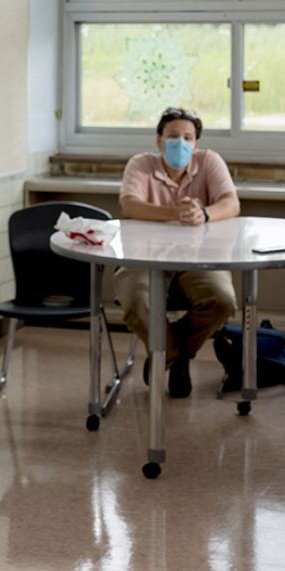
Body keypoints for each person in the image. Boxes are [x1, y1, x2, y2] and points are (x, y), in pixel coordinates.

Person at [116, 106, 240, 398]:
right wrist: (175, 213)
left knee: (223, 301)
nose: (180, 143)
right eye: (173, 136)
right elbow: (129, 206)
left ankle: (170, 354)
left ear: (196, 144)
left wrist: (204, 215)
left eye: (188, 137)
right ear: (158, 139)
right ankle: (175, 356)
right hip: (142, 258)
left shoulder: (209, 161)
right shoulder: (141, 164)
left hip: (197, 258)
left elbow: (231, 203)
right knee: (135, 301)